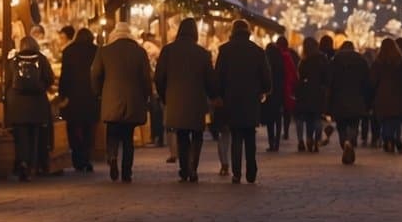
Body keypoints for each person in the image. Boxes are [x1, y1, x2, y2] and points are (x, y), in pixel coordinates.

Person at [155, 18, 216, 182]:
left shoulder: (168, 51)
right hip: (197, 100)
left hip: (175, 100)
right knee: (197, 135)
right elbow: (210, 80)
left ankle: (184, 168)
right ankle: (193, 167)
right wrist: (213, 97)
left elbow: (159, 77)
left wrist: (164, 96)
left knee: (182, 135)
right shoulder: (203, 53)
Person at [91, 22, 152, 183]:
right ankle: (127, 172)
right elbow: (146, 78)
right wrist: (147, 96)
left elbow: (95, 73)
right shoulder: (140, 52)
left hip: (111, 98)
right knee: (128, 138)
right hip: (133, 99)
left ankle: (112, 156)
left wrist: (98, 92)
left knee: (112, 131)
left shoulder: (105, 51)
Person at [216, 20, 272, 183]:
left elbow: (218, 75)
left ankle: (236, 173)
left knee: (236, 135)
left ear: (233, 32)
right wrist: (264, 90)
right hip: (251, 100)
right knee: (249, 136)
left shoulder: (225, 50)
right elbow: (266, 78)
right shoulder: (257, 51)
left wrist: (218, 95)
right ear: (248, 32)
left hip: (231, 100)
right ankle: (251, 170)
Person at [5, 35, 55, 181]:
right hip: (37, 104)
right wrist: (41, 88)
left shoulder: (14, 60)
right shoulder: (42, 59)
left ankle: (22, 163)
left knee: (21, 137)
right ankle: (33, 166)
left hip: (18, 105)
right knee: (35, 136)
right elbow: (50, 78)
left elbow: (8, 81)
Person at [58, 27, 99, 172]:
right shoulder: (96, 51)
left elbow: (64, 75)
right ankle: (86, 158)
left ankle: (77, 158)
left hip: (73, 96)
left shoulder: (69, 51)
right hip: (91, 96)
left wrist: (62, 94)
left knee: (73, 127)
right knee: (89, 129)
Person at [328, 39, 371, 165]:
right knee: (354, 123)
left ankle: (344, 142)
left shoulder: (335, 60)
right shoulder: (361, 60)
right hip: (357, 97)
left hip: (339, 98)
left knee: (341, 124)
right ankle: (351, 140)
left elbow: (330, 81)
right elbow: (367, 82)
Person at [372, 38, 402, 154]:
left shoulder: (378, 62)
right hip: (397, 94)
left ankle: (387, 138)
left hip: (382, 95)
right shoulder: (400, 62)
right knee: (396, 120)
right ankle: (396, 138)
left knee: (384, 120)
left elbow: (373, 80)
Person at [293, 36, 328, 152]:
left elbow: (301, 75)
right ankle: (316, 140)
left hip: (306, 91)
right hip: (319, 91)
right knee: (317, 117)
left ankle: (308, 139)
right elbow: (326, 76)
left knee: (308, 117)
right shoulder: (322, 59)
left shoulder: (304, 60)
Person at [261, 43, 287, 151]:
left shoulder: (266, 61)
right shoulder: (280, 61)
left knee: (270, 120)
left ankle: (271, 143)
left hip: (269, 93)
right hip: (279, 93)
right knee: (278, 118)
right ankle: (277, 143)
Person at [276, 37, 299, 145]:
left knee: (278, 111)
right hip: (288, 86)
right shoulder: (291, 55)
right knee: (287, 111)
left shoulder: (275, 55)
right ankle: (285, 131)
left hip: (277, 86)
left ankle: (279, 132)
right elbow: (294, 71)